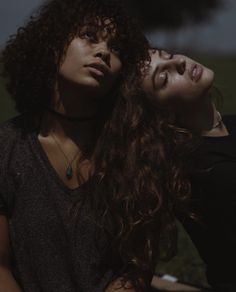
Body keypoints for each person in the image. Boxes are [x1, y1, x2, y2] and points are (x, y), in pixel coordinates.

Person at [0, 0, 160, 291]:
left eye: (117, 50)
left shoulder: (134, 151)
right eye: (89, 35)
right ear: (52, 44)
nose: (103, 52)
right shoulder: (7, 146)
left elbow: (135, 269)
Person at [141, 48, 236, 292]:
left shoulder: (230, 126)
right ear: (160, 113)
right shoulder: (204, 169)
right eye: (164, 78)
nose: (180, 63)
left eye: (169, 56)